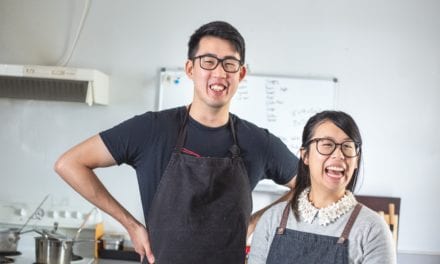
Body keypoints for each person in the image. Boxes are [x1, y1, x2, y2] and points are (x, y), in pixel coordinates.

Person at [54, 21, 298, 264]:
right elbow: (69, 164)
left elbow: (308, 184)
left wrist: (258, 221)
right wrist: (131, 224)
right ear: (190, 69)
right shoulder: (151, 130)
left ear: (241, 74)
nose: (220, 73)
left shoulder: (257, 142)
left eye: (230, 64)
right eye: (209, 61)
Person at [248, 110, 396, 264]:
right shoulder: (272, 219)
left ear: (356, 161)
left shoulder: (373, 229)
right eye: (327, 145)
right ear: (305, 156)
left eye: (347, 146)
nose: (339, 155)